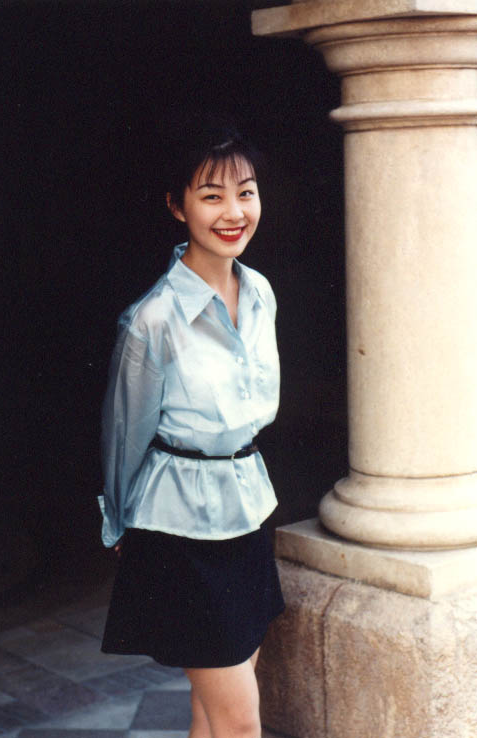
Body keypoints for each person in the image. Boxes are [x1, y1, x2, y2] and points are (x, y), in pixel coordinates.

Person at [98, 122, 284, 738]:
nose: (234, 212)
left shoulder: (260, 294)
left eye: (246, 192)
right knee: (240, 724)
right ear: (177, 207)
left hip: (247, 513)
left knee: (212, 713)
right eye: (211, 196)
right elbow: (124, 432)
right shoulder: (152, 320)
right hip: (180, 534)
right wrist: (118, 522)